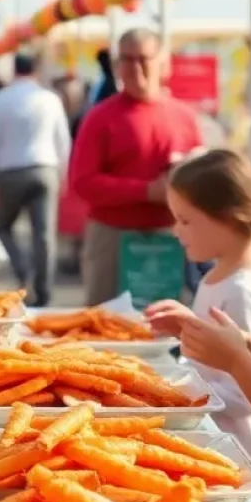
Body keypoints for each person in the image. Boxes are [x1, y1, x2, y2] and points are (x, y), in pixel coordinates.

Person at [146, 150, 251, 502]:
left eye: (185, 220)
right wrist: (192, 331)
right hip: (230, 452)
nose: (176, 230)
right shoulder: (222, 278)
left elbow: (244, 395)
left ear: (228, 218)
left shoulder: (244, 290)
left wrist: (176, 391)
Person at [69, 28, 203, 305]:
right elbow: (82, 181)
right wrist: (145, 191)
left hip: (168, 239)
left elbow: (203, 177)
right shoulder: (99, 117)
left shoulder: (185, 117)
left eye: (143, 58)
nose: (134, 68)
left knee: (163, 328)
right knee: (104, 326)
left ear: (163, 63)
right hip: (113, 237)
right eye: (126, 60)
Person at [0, 53, 70, 307]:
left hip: (9, 172)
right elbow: (63, 141)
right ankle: (44, 290)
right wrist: (62, 174)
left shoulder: (1, 99)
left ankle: (23, 271)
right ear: (36, 69)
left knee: (1, 226)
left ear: (14, 69)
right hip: (45, 168)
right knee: (44, 235)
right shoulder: (50, 99)